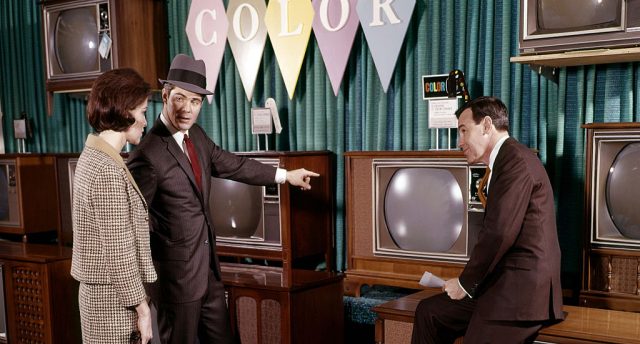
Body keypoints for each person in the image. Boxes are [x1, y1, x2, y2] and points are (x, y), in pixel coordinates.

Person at [127, 54, 320, 344]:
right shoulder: (147, 153)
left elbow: (234, 164)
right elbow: (134, 224)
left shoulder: (198, 137)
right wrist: (145, 287)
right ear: (165, 95)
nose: (187, 109)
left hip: (209, 275)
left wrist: (285, 176)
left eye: (196, 102)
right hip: (175, 283)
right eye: (180, 98)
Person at [411, 96, 564, 343]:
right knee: (429, 313)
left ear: (486, 125)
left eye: (463, 131)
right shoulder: (504, 161)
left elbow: (499, 233)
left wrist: (464, 283)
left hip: (521, 294)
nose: (459, 142)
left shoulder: (515, 161)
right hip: (499, 286)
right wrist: (467, 283)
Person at [71, 68, 157, 344]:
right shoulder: (106, 170)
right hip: (112, 303)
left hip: (103, 297)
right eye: (142, 111)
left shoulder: (93, 156)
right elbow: (119, 250)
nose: (145, 121)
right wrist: (142, 310)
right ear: (125, 111)